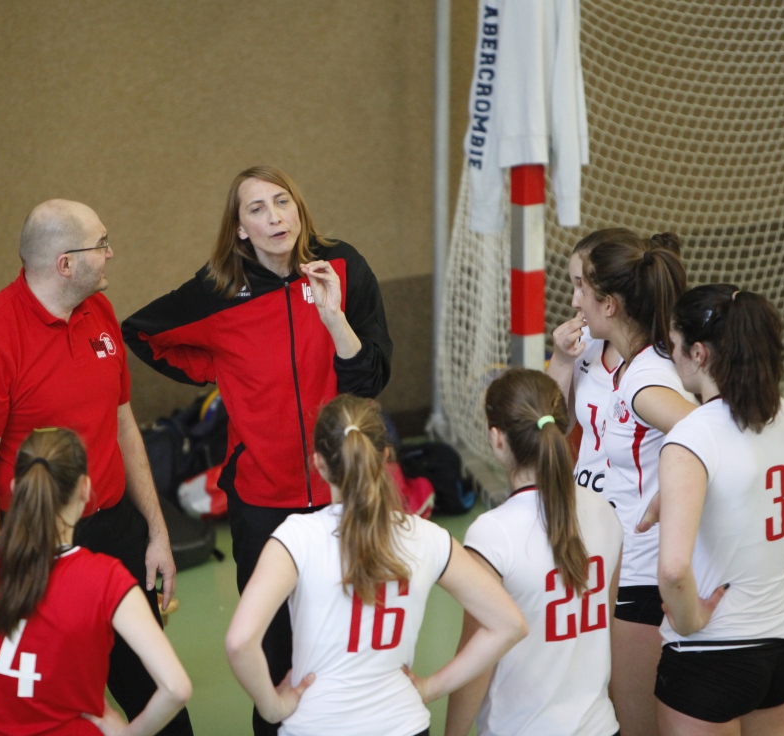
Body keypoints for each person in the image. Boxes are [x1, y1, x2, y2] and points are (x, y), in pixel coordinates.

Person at [123, 166, 392, 735]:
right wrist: (215, 367)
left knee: (353, 637)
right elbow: (141, 332)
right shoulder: (219, 288)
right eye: (257, 209)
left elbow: (371, 378)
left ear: (298, 208)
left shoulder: (344, 266)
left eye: (282, 202)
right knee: (274, 651)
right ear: (240, 228)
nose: (274, 217)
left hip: (346, 492)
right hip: (263, 500)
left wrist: (333, 317)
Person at [0, 199, 192, 735]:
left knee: (151, 683)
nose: (111, 253)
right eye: (101, 244)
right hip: (30, 542)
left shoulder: (99, 312)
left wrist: (156, 532)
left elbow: (123, 426)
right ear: (65, 263)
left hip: (111, 531)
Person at [225, 394, 526, 736]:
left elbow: (240, 641)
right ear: (385, 457)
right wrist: (431, 688)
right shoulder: (427, 536)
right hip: (404, 725)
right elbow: (510, 624)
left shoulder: (296, 537)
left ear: (319, 463)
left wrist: (273, 708)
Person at [643, 284, 784, 734]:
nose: (672, 357)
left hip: (709, 657)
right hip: (783, 651)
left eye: (675, 345)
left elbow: (673, 569)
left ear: (699, 353)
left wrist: (689, 619)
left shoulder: (692, 437)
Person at [0, 427, 191, 735]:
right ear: (85, 489)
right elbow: (176, 688)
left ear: (15, 488)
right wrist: (126, 734)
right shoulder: (107, 578)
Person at [446, 368, 622, 736]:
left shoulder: (492, 534)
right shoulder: (605, 512)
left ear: (497, 439)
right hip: (600, 727)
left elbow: (476, 663)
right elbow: (603, 629)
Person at [578, 230, 694, 736]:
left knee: (633, 722)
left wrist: (674, 493)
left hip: (641, 574)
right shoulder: (625, 363)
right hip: (618, 564)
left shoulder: (647, 380)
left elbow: (717, 437)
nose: (574, 301)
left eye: (582, 289)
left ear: (609, 304)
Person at [546, 229, 643, 493]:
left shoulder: (654, 361)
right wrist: (562, 360)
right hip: (586, 502)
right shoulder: (585, 341)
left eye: (581, 286)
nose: (574, 301)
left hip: (629, 509)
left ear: (609, 298)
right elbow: (551, 426)